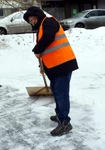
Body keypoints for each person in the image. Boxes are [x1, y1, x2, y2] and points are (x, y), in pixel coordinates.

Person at [23, 6, 78, 136]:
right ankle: (60, 114)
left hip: (62, 64)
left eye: (33, 19)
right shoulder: (42, 27)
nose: (32, 22)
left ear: (38, 15)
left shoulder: (49, 22)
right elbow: (47, 50)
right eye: (30, 21)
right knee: (56, 90)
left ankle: (65, 122)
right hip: (54, 66)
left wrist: (36, 50)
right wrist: (42, 66)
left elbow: (48, 38)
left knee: (61, 93)